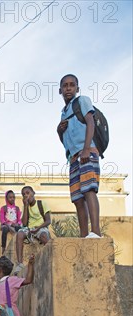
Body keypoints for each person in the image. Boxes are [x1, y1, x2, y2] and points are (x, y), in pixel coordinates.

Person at [57, 74, 101, 238]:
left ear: (77, 88)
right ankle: (83, 235)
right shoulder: (64, 112)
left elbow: (90, 122)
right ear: (60, 90)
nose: (68, 88)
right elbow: (66, 140)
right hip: (73, 158)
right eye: (65, 86)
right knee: (77, 198)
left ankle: (95, 231)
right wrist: (59, 130)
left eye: (72, 85)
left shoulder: (82, 101)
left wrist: (86, 149)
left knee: (89, 189)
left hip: (87, 152)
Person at [15, 186, 51, 274]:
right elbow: (24, 224)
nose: (26, 195)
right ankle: (20, 264)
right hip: (30, 229)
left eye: (28, 193)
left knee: (43, 236)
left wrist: (38, 228)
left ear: (33, 193)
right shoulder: (26, 207)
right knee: (19, 234)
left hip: (41, 227)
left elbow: (48, 221)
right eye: (23, 194)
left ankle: (51, 257)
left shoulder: (42, 203)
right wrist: (26, 206)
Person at [0, 190, 22, 254]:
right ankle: (3, 247)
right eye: (10, 197)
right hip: (6, 225)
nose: (12, 199)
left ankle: (19, 246)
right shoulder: (3, 208)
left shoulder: (17, 208)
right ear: (7, 198)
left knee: (20, 230)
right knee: (5, 230)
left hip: (15, 225)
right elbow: (2, 219)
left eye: (13, 197)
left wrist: (17, 224)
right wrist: (8, 224)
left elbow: (19, 219)